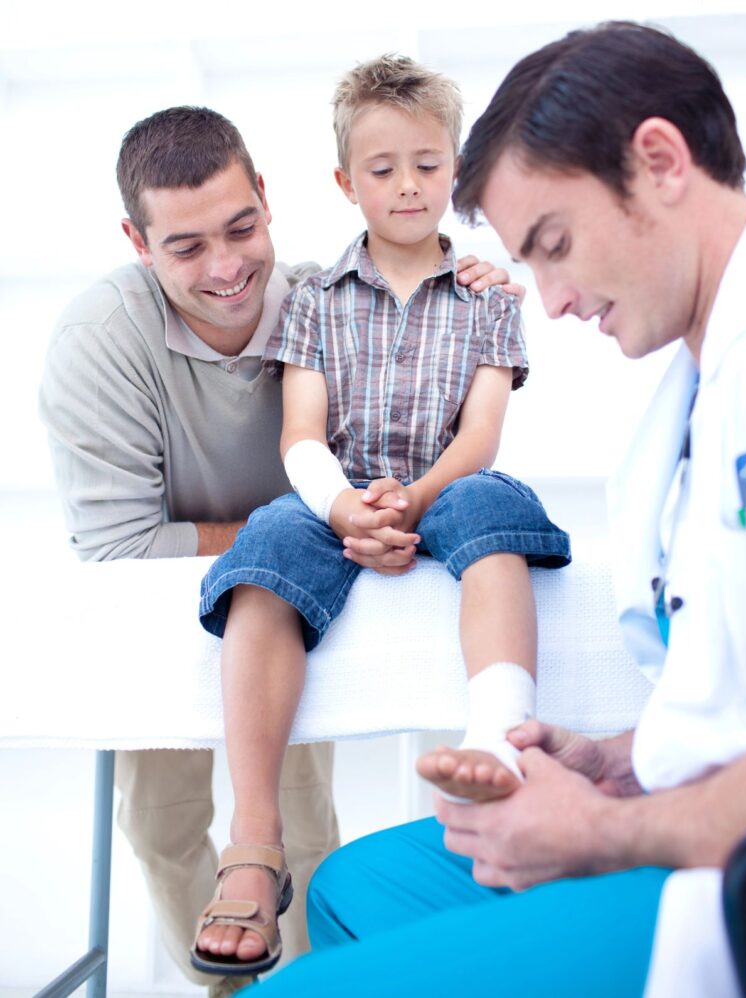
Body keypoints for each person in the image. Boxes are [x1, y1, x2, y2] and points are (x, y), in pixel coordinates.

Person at [243, 21, 746, 997]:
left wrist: (613, 828)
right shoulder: (696, 383)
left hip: (733, 876)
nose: (553, 301)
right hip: (680, 801)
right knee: (353, 888)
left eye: (556, 244)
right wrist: (619, 759)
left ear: (658, 161)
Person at [37, 104, 515, 997]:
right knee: (163, 824)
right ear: (137, 242)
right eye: (185, 248)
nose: (225, 268)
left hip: (288, 607)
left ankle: (315, 986)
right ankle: (234, 989)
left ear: (266, 197)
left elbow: (422, 396)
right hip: (167, 603)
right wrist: (307, 523)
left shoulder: (326, 304)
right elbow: (120, 549)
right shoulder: (96, 343)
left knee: (299, 815)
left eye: (241, 227)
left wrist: (471, 282)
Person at [192, 55, 570, 978]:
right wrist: (344, 508)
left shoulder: (487, 296)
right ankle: (253, 842)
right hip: (337, 493)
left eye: (429, 164)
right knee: (269, 543)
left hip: (448, 481)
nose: (408, 186)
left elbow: (481, 433)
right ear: (344, 182)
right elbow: (301, 432)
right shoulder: (316, 300)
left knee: (493, 512)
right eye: (383, 168)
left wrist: (420, 498)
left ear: (457, 170)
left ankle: (497, 742)